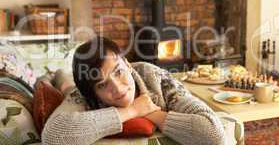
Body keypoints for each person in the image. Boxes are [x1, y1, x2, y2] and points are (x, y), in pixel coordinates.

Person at [41, 36, 226, 145]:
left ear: (128, 65)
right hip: (72, 86)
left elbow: (214, 134)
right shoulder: (82, 93)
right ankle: (56, 75)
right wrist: (133, 110)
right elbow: (53, 136)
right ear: (92, 92)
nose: (118, 87)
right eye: (102, 84)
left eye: (119, 71)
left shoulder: (155, 77)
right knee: (65, 85)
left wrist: (154, 113)